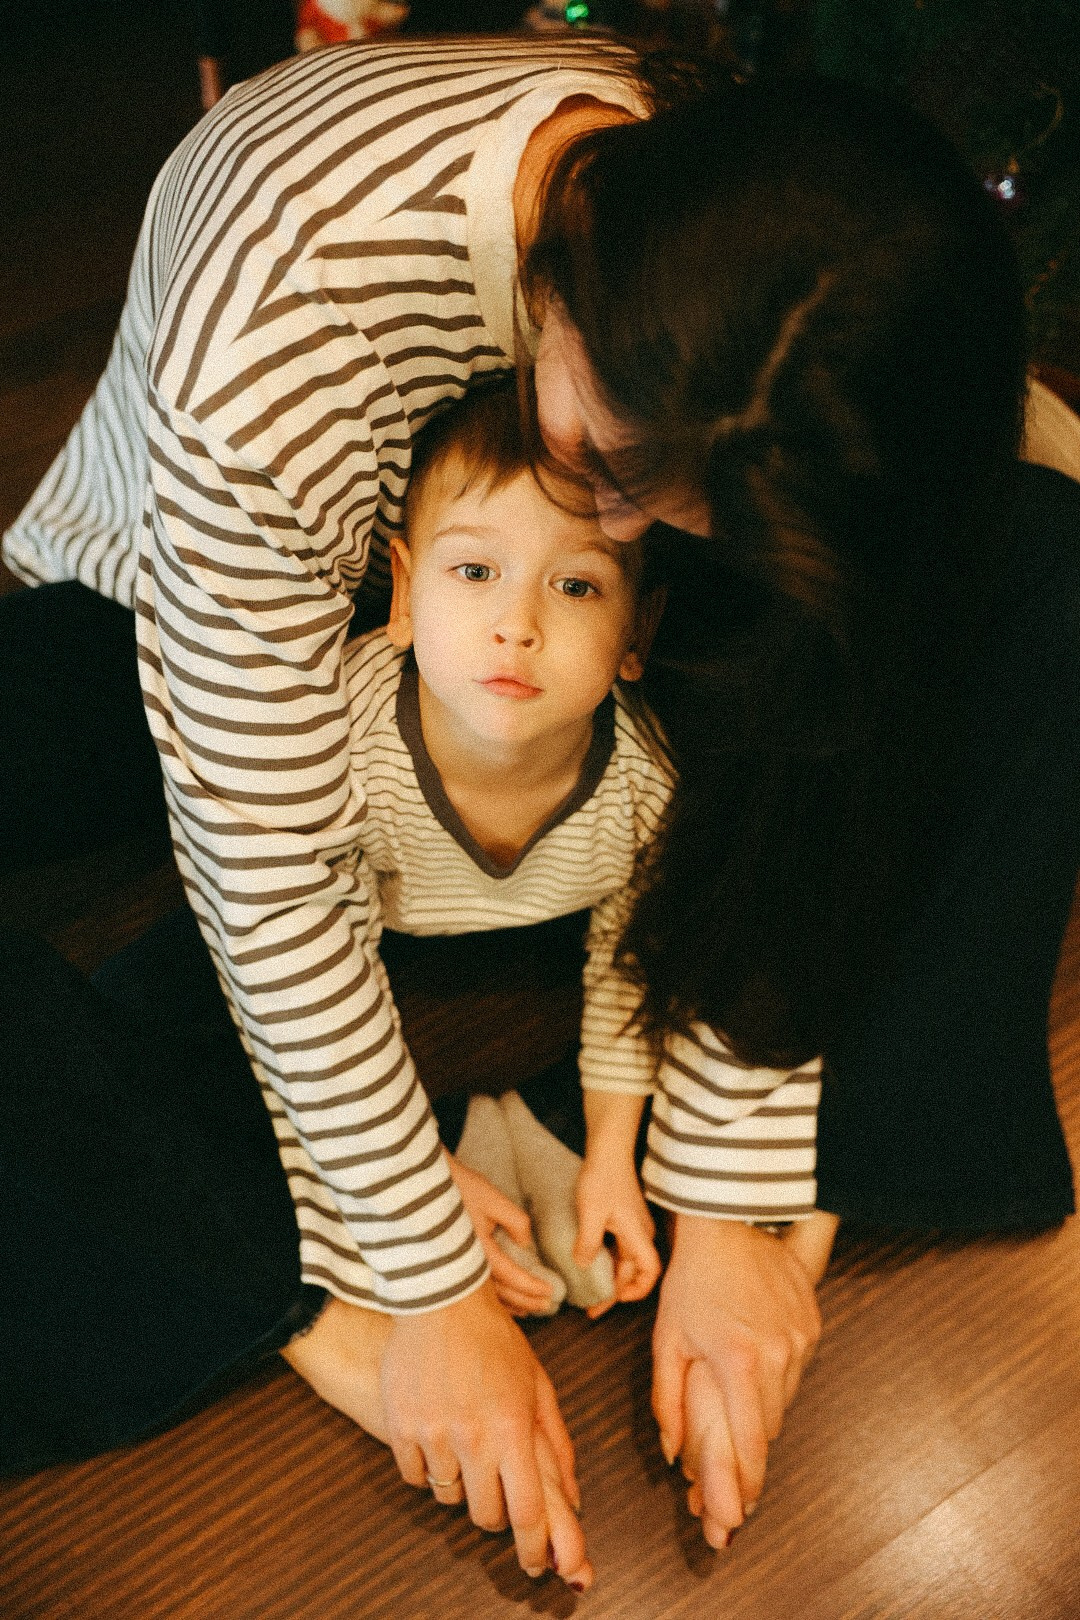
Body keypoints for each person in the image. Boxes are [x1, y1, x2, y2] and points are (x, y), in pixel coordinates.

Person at [2, 33, 1077, 1581]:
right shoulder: (281, 330)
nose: (626, 515)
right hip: (197, 629)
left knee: (1044, 566)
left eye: (666, 513)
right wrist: (418, 1290)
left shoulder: (747, 278)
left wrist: (732, 1182)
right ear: (572, 278)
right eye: (608, 464)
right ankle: (273, 1266)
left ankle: (829, 1141)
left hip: (595, 716)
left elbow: (798, 689)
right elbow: (266, 851)